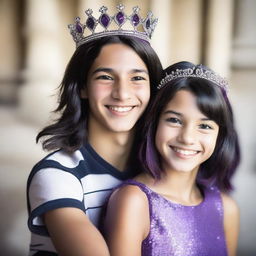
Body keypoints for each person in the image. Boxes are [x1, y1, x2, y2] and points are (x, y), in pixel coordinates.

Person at [26, 4, 162, 256]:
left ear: (153, 90)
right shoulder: (57, 174)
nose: (122, 93)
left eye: (137, 78)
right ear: (81, 87)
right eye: (105, 77)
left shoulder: (159, 168)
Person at [104, 61, 240, 256]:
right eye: (174, 120)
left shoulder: (226, 208)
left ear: (220, 136)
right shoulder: (134, 201)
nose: (187, 138)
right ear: (154, 123)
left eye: (205, 126)